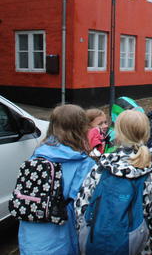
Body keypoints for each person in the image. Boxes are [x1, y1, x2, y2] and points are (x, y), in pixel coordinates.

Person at [75, 110, 152, 254]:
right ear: (146, 134)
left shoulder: (101, 167)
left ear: (118, 134)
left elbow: (81, 208)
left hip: (97, 244)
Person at [18, 104, 95, 255]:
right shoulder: (84, 163)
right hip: (61, 239)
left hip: (30, 237)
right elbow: (84, 209)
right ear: (81, 128)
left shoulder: (38, 154)